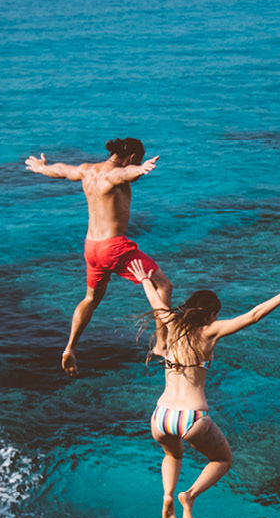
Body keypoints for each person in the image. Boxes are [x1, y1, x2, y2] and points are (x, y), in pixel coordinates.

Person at [128, 258, 280, 518]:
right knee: (223, 460)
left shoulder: (172, 322)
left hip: (161, 416)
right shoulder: (211, 332)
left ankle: (166, 495)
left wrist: (144, 279)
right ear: (211, 315)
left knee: (173, 455)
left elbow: (156, 302)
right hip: (191, 417)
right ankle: (188, 495)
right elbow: (253, 315)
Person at [24, 137, 172, 376]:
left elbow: (61, 170)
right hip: (114, 247)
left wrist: (41, 168)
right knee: (163, 285)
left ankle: (70, 348)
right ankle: (161, 345)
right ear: (132, 157)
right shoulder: (116, 174)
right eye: (139, 160)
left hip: (91, 248)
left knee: (91, 299)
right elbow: (125, 175)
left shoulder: (87, 170)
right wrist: (141, 171)